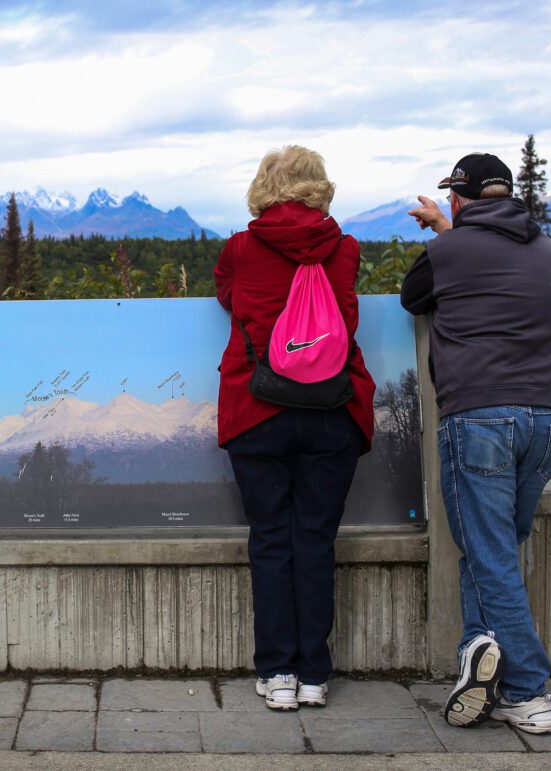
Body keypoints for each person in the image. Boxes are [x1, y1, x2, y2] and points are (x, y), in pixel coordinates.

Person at [401, 152, 551, 734]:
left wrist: (445, 237)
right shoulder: (545, 246)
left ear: (462, 197)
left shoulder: (449, 251)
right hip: (546, 423)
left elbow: (412, 294)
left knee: (492, 557)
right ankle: (480, 661)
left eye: (451, 196)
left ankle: (528, 691)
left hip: (480, 420)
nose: (447, 202)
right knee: (491, 552)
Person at [214, 146, 375, 711]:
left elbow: (230, 297)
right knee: (315, 540)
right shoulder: (345, 248)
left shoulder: (240, 247)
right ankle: (314, 675)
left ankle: (277, 673)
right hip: (332, 412)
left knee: (270, 539)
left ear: (264, 186)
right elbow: (347, 316)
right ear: (319, 187)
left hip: (258, 411)